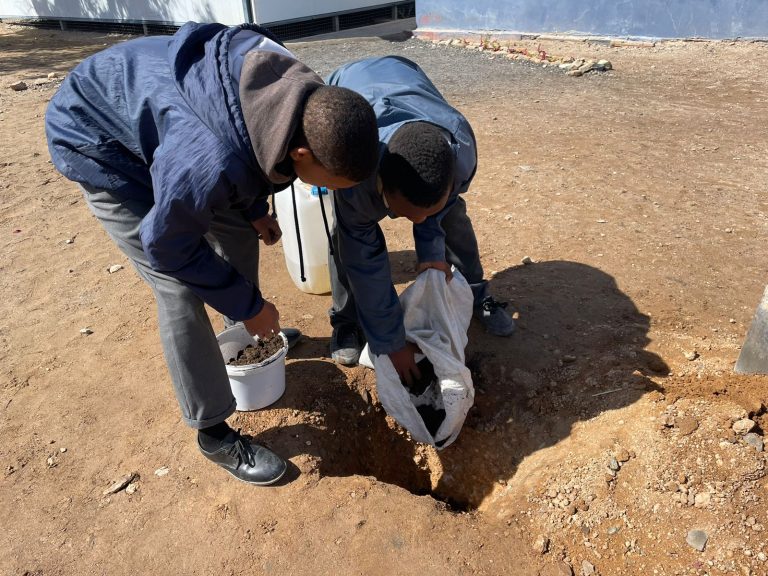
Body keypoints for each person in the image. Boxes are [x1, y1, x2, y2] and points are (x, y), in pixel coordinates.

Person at [45, 22, 379, 486]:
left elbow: (249, 141)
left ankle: (245, 336)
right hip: (100, 142)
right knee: (178, 289)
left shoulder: (299, 94)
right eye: (332, 181)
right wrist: (249, 303)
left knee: (240, 231)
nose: (334, 191)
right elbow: (168, 244)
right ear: (303, 153)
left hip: (165, 125)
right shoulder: (204, 159)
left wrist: (255, 210)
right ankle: (212, 432)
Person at [325, 55, 515, 385]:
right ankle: (346, 320)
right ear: (382, 187)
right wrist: (391, 342)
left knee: (451, 216)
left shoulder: (460, 149)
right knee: (345, 237)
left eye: (427, 209)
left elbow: (437, 208)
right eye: (405, 213)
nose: (416, 220)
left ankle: (474, 290)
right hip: (352, 85)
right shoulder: (355, 172)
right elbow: (364, 260)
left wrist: (431, 254)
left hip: (405, 75)